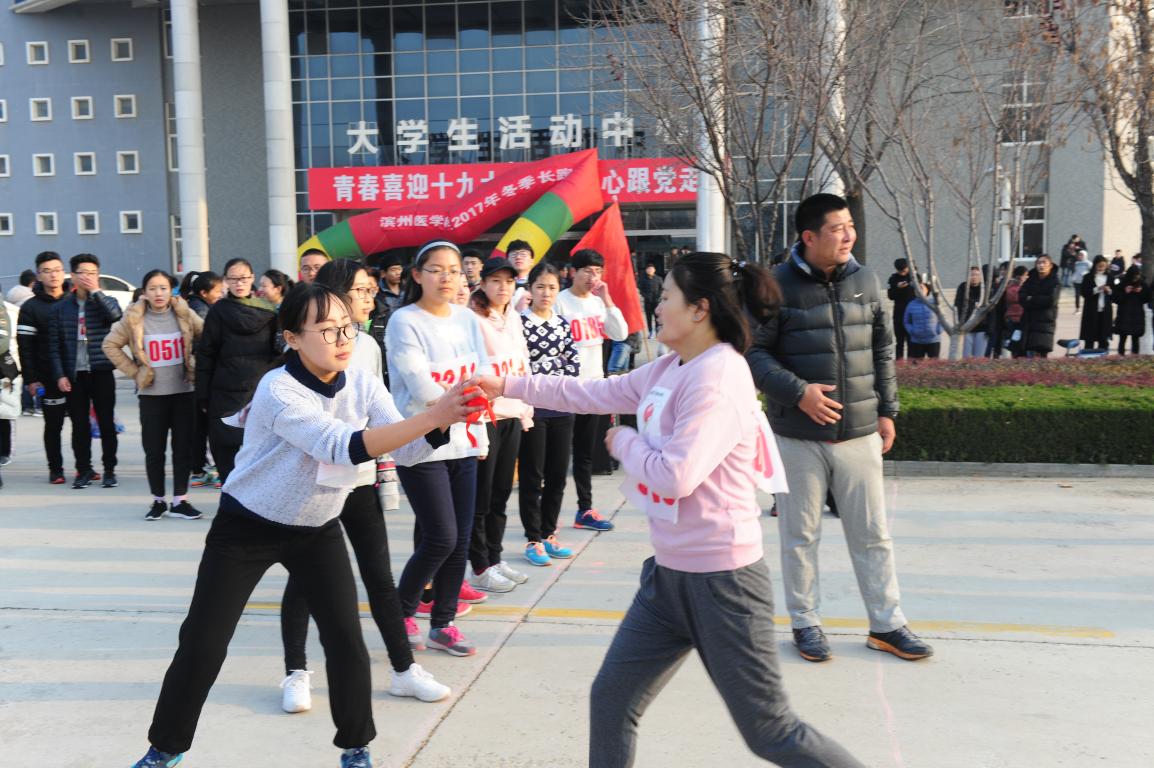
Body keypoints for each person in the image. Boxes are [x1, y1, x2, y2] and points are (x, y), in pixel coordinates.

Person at [477, 251, 866, 768]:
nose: (657, 307)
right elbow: (590, 392)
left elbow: (677, 475)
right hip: (667, 579)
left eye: (666, 297)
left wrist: (624, 442)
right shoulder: (670, 366)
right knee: (612, 700)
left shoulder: (719, 377)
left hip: (723, 582)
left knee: (770, 732)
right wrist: (506, 385)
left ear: (700, 309)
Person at [128, 283, 481, 768]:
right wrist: (433, 415)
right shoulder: (278, 389)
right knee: (204, 643)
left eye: (347, 327)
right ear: (292, 338)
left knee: (346, 642)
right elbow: (340, 446)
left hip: (317, 528)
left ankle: (355, 748)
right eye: (327, 330)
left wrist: (444, 419)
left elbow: (407, 451)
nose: (343, 339)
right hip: (246, 526)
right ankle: (165, 749)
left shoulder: (362, 381)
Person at [747, 193, 932, 664]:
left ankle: (887, 624)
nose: (848, 235)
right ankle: (806, 622)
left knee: (873, 534)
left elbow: (883, 348)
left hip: (860, 432)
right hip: (797, 435)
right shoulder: (775, 286)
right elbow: (753, 353)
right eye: (837, 228)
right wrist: (798, 392)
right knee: (800, 535)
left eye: (850, 226)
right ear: (809, 237)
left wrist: (887, 410)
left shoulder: (865, 280)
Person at [278, 261, 450, 716]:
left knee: (379, 578)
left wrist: (436, 424)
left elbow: (385, 419)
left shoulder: (367, 346)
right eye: (360, 290)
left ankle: (404, 670)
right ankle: (296, 671)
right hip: (312, 486)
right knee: (303, 581)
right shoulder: (291, 367)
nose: (369, 298)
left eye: (372, 290)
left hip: (358, 480)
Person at [386, 240, 491, 657]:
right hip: (423, 441)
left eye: (454, 270)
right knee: (441, 536)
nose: (446, 277)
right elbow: (422, 387)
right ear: (417, 275)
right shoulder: (404, 321)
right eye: (436, 269)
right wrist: (463, 405)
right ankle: (400, 612)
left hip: (465, 439)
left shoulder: (467, 318)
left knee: (460, 538)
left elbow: (482, 373)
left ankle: (443, 624)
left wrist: (480, 426)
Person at [102, 270, 205, 521]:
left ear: (171, 290)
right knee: (154, 450)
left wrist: (195, 362)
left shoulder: (184, 313)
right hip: (151, 395)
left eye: (163, 288)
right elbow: (110, 345)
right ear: (145, 292)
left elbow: (207, 336)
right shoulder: (133, 317)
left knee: (183, 449)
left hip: (183, 392)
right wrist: (135, 372)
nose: (158, 293)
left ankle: (180, 500)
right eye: (152, 288)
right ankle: (158, 500)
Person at [466, 257, 533, 592]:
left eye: (509, 281)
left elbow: (523, 362)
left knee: (501, 493)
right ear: (482, 284)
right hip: (486, 418)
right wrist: (477, 418)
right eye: (495, 281)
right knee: (482, 495)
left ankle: (495, 557)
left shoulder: (514, 318)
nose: (503, 287)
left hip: (511, 414)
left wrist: (525, 409)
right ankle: (479, 566)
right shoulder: (473, 319)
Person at [556, 248, 628, 532]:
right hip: (564, 389)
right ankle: (546, 518)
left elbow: (620, 333)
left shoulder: (598, 303)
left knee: (585, 453)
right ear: (574, 272)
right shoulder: (560, 301)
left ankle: (585, 509)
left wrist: (607, 299)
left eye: (598, 271)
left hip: (593, 388)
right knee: (559, 455)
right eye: (587, 270)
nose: (593, 277)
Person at [196, 258, 281, 483]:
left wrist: (203, 394)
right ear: (225, 281)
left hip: (236, 392)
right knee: (257, 452)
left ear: (252, 278)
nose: (239, 283)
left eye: (243, 278)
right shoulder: (269, 311)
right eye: (233, 279)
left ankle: (232, 495)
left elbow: (206, 354)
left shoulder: (219, 311)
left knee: (227, 453)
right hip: (253, 391)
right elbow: (206, 354)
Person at [518, 262, 580, 567]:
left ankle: (549, 533)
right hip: (532, 408)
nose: (546, 292)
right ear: (530, 289)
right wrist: (551, 368)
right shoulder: (519, 323)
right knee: (533, 475)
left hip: (561, 406)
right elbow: (521, 366)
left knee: (557, 475)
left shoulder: (562, 323)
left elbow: (574, 363)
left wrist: (545, 371)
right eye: (540, 286)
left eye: (552, 287)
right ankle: (533, 538)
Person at [48, 253, 123, 489]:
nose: (88, 277)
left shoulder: (105, 301)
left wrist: (96, 292)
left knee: (106, 423)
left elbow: (115, 316)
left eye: (93, 273)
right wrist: (60, 375)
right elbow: (54, 345)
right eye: (83, 273)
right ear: (73, 276)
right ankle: (84, 469)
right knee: (79, 426)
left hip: (101, 371)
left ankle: (109, 470)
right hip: (75, 375)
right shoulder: (61, 308)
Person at [16, 252, 70, 482]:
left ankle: (84, 467)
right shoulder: (31, 307)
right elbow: (25, 347)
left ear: (64, 272)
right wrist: (31, 379)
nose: (53, 275)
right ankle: (55, 469)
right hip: (48, 375)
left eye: (57, 270)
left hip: (77, 373)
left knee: (81, 423)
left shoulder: (74, 301)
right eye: (47, 271)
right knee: (53, 425)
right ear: (38, 275)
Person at [1019, 254, 1061, 358]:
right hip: (1029, 322)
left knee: (1042, 356)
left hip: (1045, 324)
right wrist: (1038, 300)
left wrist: (1032, 298)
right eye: (1039, 263)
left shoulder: (1054, 281)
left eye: (1044, 262)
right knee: (1026, 355)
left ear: (1050, 265)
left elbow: (1051, 300)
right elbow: (1021, 297)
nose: (1041, 265)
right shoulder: (1030, 279)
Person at [1079, 255, 1115, 352]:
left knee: (1103, 338)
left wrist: (1109, 291)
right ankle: (1088, 357)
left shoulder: (1110, 277)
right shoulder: (1088, 277)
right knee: (1089, 338)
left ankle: (1102, 356)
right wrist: (1097, 289)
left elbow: (1115, 295)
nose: (1101, 268)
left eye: (1104, 266)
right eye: (1099, 266)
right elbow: (1084, 293)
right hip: (1091, 311)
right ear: (1095, 265)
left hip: (1105, 312)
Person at [1112, 265, 1149, 355]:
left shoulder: (1142, 283)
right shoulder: (1122, 283)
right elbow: (1115, 299)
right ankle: (1121, 356)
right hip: (1124, 315)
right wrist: (1125, 292)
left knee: (1135, 339)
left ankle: (1134, 357)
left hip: (1137, 315)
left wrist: (1140, 292)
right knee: (1122, 338)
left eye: (1137, 277)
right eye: (1134, 277)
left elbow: (1147, 298)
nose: (1135, 279)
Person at [903, 279, 943, 359]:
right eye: (916, 289)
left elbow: (942, 318)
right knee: (917, 365)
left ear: (927, 290)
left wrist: (938, 330)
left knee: (934, 364)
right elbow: (906, 321)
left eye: (921, 288)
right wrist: (912, 331)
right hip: (917, 341)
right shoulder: (911, 305)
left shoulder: (935, 303)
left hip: (933, 340)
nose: (918, 290)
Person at [954, 266, 988, 357]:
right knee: (966, 356)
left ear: (980, 276)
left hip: (982, 326)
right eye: (972, 275)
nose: (974, 277)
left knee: (979, 356)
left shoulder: (984, 288)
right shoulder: (963, 287)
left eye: (976, 275)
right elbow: (957, 305)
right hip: (967, 326)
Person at [887, 258, 916, 359]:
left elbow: (924, 292)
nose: (902, 273)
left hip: (912, 313)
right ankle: (900, 364)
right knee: (899, 341)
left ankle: (911, 363)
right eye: (900, 271)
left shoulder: (914, 277)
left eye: (904, 270)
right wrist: (897, 288)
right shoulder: (893, 279)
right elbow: (891, 296)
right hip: (899, 313)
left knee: (911, 341)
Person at [998, 265, 1029, 357]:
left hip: (1023, 319)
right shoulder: (1011, 288)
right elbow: (1017, 298)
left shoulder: (1024, 287)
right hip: (1014, 319)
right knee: (1015, 343)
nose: (1027, 277)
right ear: (1019, 277)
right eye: (1025, 275)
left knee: (1021, 343)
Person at [505, 239, 536, 312]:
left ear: (531, 261)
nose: (518, 257)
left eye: (523, 254)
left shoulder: (537, 282)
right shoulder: (503, 284)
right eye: (514, 254)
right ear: (507, 260)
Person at [637, 263, 662, 338]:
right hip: (647, 301)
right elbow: (641, 289)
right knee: (648, 318)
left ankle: (658, 332)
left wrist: (659, 296)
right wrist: (645, 296)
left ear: (654, 270)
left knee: (657, 317)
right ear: (646, 270)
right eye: (648, 269)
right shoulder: (643, 279)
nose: (650, 270)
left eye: (651, 269)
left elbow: (662, 288)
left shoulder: (658, 278)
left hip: (656, 301)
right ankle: (650, 332)